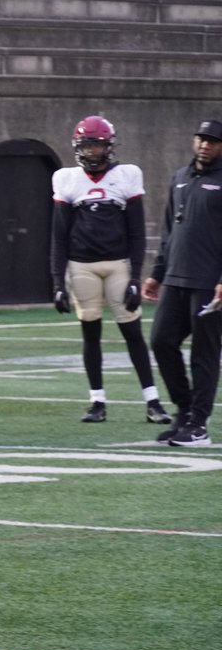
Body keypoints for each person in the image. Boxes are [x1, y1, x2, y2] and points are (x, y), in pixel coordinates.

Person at [49, 115, 171, 425]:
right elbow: (59, 236)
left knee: (133, 333)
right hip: (82, 267)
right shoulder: (66, 178)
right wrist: (57, 281)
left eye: (99, 146)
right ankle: (97, 402)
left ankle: (152, 401)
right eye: (88, 147)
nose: (93, 153)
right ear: (79, 148)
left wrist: (134, 276)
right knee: (91, 335)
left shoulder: (127, 175)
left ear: (110, 147)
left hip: (118, 265)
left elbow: (137, 232)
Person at [141, 119, 222, 447]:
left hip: (208, 284)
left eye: (213, 140)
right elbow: (170, 232)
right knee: (161, 341)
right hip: (175, 279)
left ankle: (199, 425)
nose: (205, 144)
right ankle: (185, 411)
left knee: (204, 353)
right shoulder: (180, 178)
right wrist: (156, 273)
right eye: (201, 138)